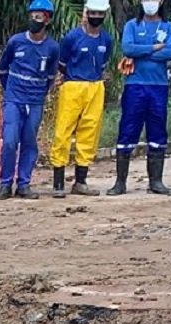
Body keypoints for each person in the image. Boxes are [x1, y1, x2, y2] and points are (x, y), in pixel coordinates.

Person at [108, 0, 171, 195]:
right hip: (134, 86)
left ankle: (156, 182)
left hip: (159, 87)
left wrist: (142, 51)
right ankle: (120, 182)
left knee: (157, 131)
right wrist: (155, 48)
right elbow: (128, 49)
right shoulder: (132, 25)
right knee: (128, 129)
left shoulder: (168, 26)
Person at [0, 0, 61, 200]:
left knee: (29, 143)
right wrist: (10, 92)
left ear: (47, 20)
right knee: (9, 141)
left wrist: (40, 95)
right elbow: (2, 69)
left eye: (39, 17)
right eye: (32, 16)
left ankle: (24, 184)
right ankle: (5, 183)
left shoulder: (52, 48)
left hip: (35, 102)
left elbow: (51, 76)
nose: (34, 20)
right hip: (14, 100)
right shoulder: (16, 41)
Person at [50, 0, 113, 197]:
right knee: (63, 131)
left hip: (96, 86)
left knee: (89, 132)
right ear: (86, 13)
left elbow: (104, 64)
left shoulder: (107, 40)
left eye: (99, 13)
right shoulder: (71, 38)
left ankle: (80, 181)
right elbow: (62, 63)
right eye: (92, 13)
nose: (96, 17)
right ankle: (58, 183)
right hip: (73, 85)